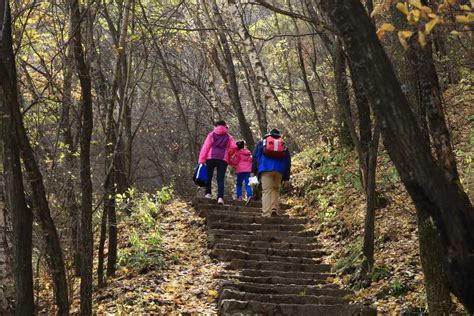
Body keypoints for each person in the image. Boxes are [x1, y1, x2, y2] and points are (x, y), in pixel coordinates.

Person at [252, 128, 291, 216]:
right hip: (279, 170)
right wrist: (287, 177)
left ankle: (266, 213)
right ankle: (274, 208)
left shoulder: (262, 142)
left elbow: (255, 157)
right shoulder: (283, 144)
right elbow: (288, 161)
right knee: (275, 189)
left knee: (266, 191)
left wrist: (253, 171)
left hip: (265, 169)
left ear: (269, 134)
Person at [198, 120, 237, 205]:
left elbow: (206, 147)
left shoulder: (211, 135)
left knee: (209, 176)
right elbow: (234, 147)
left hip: (211, 157)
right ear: (225, 126)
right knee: (220, 179)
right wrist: (228, 154)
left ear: (216, 126)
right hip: (223, 159)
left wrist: (201, 160)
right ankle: (220, 198)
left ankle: (208, 194)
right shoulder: (229, 137)